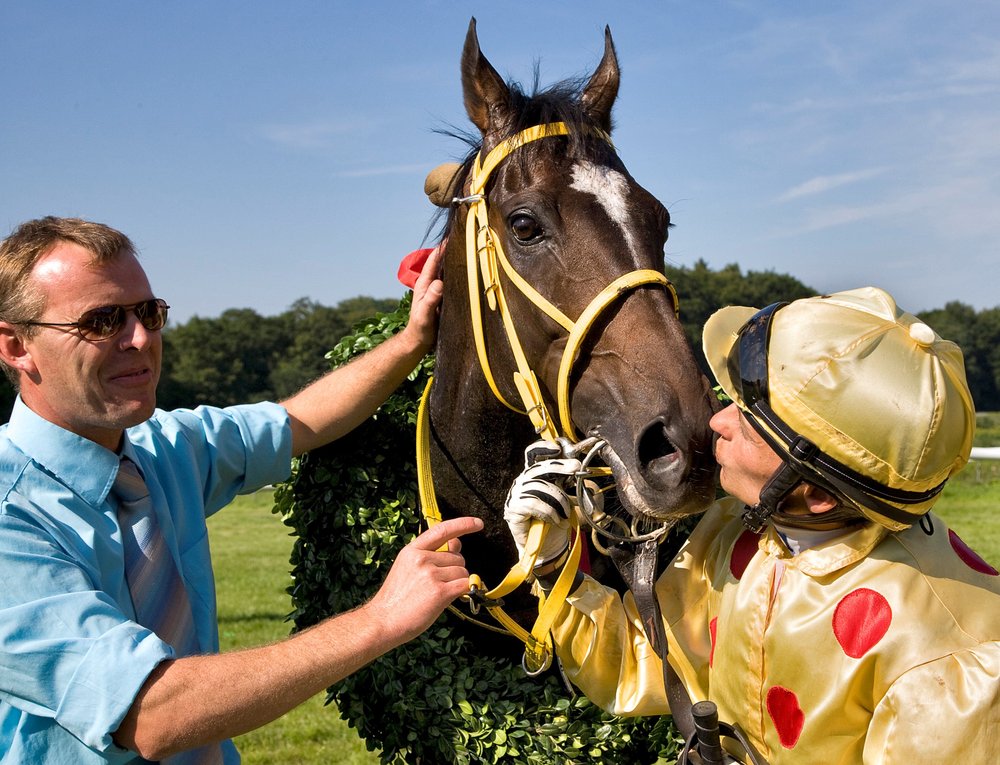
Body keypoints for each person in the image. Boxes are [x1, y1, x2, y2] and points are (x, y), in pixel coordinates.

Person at [0, 216, 482, 764]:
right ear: (17, 346)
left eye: (148, 313)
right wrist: (381, 619)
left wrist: (413, 340)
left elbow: (299, 422)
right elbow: (151, 712)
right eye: (102, 321)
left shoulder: (163, 448)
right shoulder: (9, 511)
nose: (139, 339)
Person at [504, 287, 1000, 763]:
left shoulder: (947, 666)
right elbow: (646, 662)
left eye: (748, 422)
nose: (718, 422)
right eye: (733, 401)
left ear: (819, 495)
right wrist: (551, 558)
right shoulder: (745, 534)